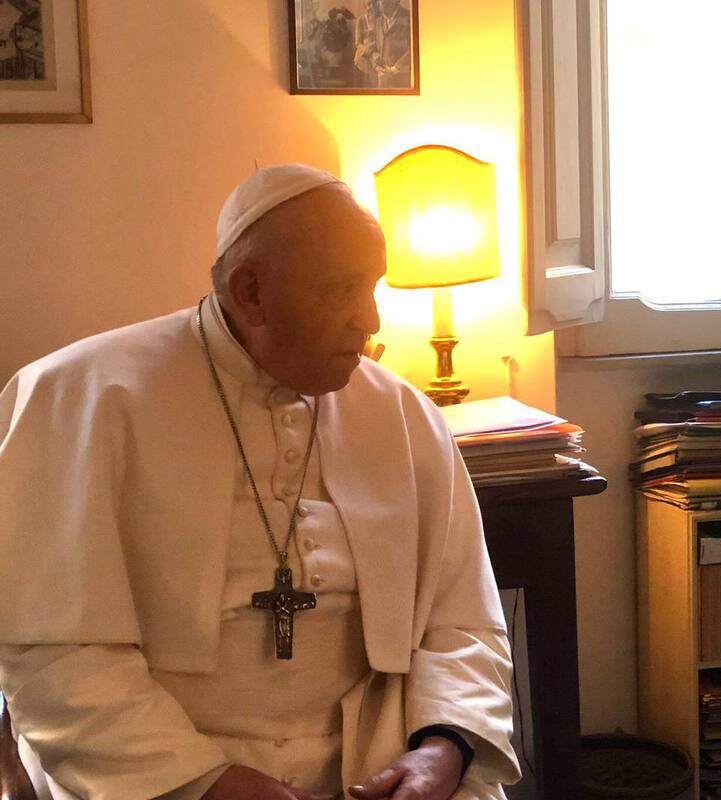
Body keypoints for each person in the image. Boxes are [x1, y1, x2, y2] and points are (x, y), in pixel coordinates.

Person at [0, 164, 520, 799]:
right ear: (250, 293)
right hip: (153, 772)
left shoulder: (403, 416)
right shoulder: (81, 398)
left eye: (374, 287)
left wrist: (444, 746)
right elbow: (54, 653)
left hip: (378, 769)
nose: (372, 320)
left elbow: (464, 621)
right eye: (343, 289)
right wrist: (204, 782)